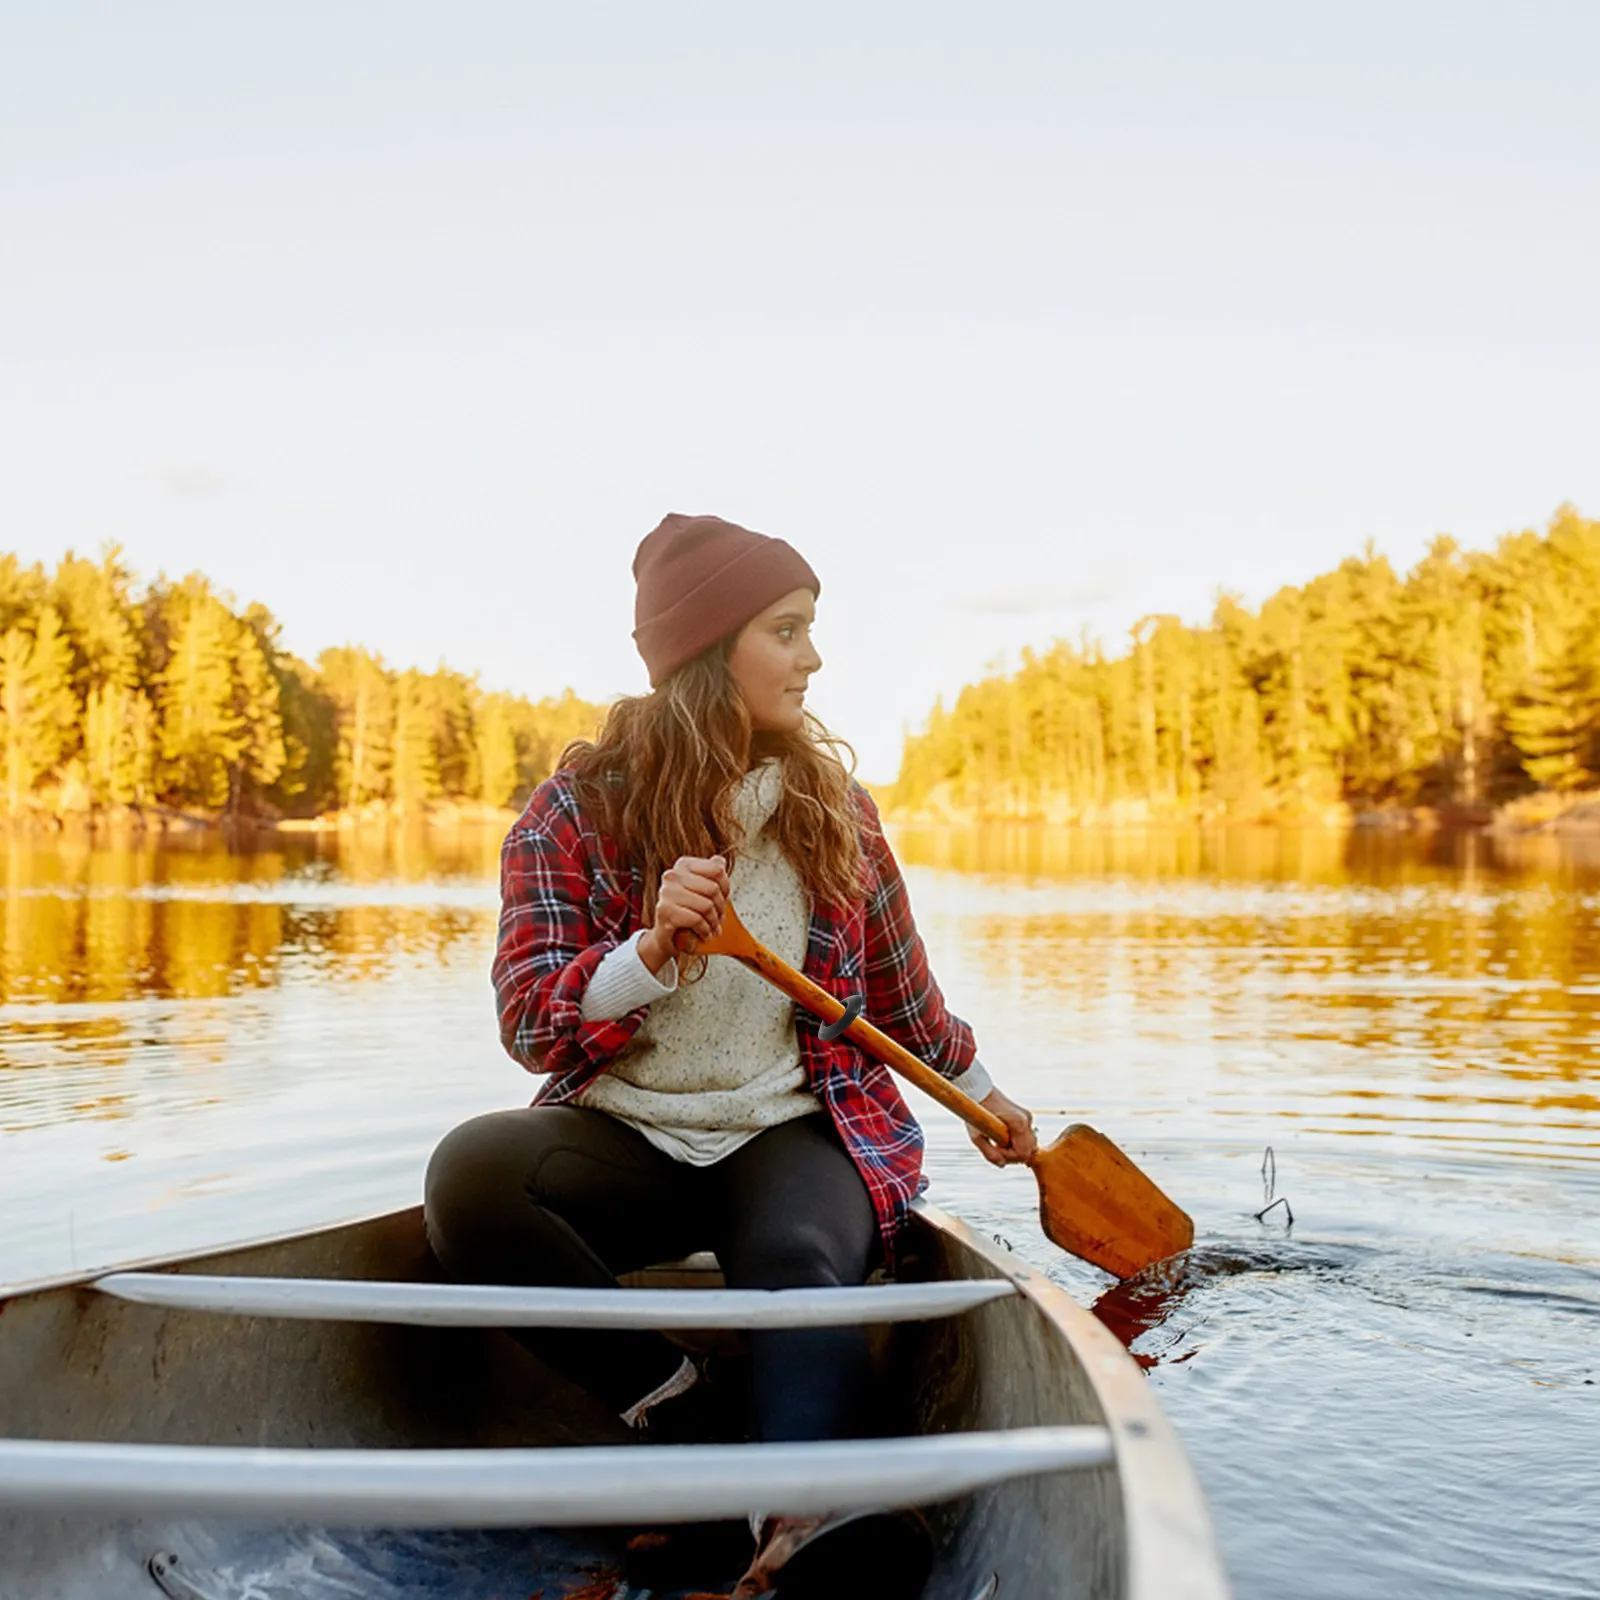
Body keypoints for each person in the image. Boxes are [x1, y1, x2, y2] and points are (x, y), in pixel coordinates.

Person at [423, 511, 1037, 1598]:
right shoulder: (572, 812)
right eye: (787, 629)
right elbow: (529, 1021)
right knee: (470, 1173)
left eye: (809, 629)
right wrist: (648, 952)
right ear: (710, 650)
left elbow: (902, 999)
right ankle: (686, 1413)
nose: (813, 656)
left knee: (798, 1265)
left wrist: (989, 1105)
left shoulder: (833, 809)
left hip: (791, 1128)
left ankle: (805, 1517)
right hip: (628, 1132)